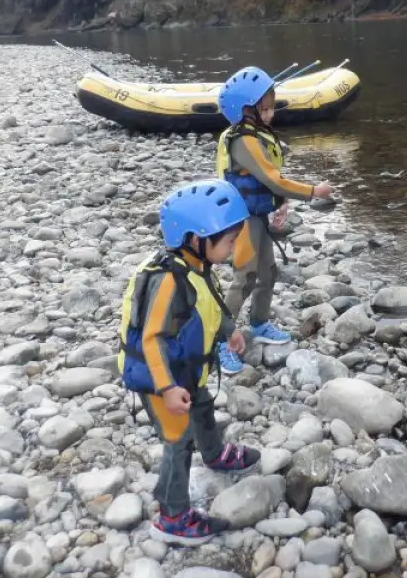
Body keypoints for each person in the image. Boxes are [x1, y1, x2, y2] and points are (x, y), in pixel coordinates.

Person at [117, 178, 261, 545]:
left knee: (203, 407)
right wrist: (166, 388)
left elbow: (209, 301)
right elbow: (152, 338)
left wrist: (229, 328)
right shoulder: (168, 280)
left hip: (186, 369)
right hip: (159, 377)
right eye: (228, 240)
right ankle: (172, 516)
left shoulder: (195, 265)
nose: (232, 248)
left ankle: (213, 453)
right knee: (178, 442)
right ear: (196, 238)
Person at [214, 66, 334, 373]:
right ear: (245, 111)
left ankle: (259, 323)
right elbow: (272, 179)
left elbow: (267, 180)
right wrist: (312, 192)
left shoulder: (258, 134)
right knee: (245, 277)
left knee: (267, 272)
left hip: (257, 214)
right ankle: (220, 340)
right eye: (263, 110)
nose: (269, 115)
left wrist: (280, 204)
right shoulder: (243, 140)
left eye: (271, 108)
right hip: (242, 219)